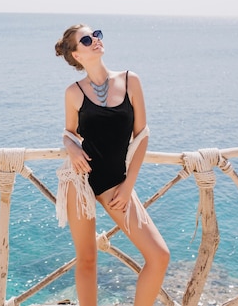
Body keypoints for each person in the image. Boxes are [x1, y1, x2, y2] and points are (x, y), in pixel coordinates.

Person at [54, 24, 169, 306]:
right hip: (78, 181)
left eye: (96, 35)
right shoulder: (74, 92)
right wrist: (70, 147)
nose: (95, 40)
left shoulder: (131, 81)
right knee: (87, 259)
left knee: (159, 256)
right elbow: (69, 132)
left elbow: (142, 136)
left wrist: (128, 185)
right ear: (76, 55)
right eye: (86, 39)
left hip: (116, 182)